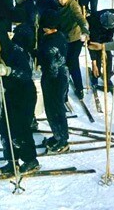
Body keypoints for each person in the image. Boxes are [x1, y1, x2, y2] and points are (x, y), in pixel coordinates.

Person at [0, 28, 40, 174]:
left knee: (20, 129)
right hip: (10, 94)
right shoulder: (0, 52)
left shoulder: (17, 52)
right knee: (6, 129)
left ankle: (30, 160)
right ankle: (12, 161)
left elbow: (27, 74)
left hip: (25, 95)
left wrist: (8, 71)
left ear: (2, 41)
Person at [37, 9, 70, 153]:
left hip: (54, 78)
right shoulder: (58, 36)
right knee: (54, 108)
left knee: (55, 109)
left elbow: (51, 64)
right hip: (59, 75)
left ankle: (62, 139)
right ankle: (57, 135)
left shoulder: (52, 43)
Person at [57, 0, 90, 100]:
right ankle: (64, 89)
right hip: (63, 37)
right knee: (65, 62)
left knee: (72, 62)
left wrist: (85, 31)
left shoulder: (73, 5)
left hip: (75, 38)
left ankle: (79, 88)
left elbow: (82, 20)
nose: (61, 1)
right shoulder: (57, 3)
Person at [87, 9, 114, 93]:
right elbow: (91, 45)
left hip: (106, 38)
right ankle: (95, 77)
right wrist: (94, 63)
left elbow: (110, 35)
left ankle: (107, 78)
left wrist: (106, 46)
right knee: (97, 58)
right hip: (95, 38)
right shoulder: (92, 21)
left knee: (109, 57)